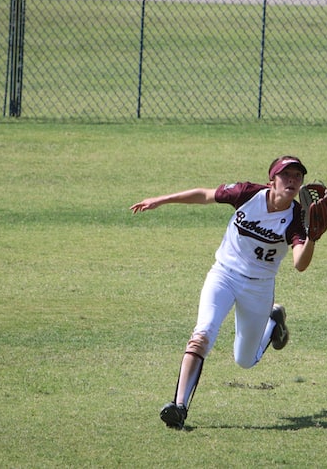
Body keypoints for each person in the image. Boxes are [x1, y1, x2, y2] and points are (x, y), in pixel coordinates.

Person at [130, 156, 317, 429]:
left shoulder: (297, 218)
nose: (292, 180)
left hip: (259, 287)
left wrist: (312, 236)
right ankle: (179, 407)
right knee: (201, 335)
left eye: (297, 176)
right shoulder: (247, 193)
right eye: (285, 174)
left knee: (244, 360)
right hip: (224, 275)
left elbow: (300, 264)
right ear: (271, 180)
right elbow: (205, 195)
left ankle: (273, 322)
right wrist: (161, 200)